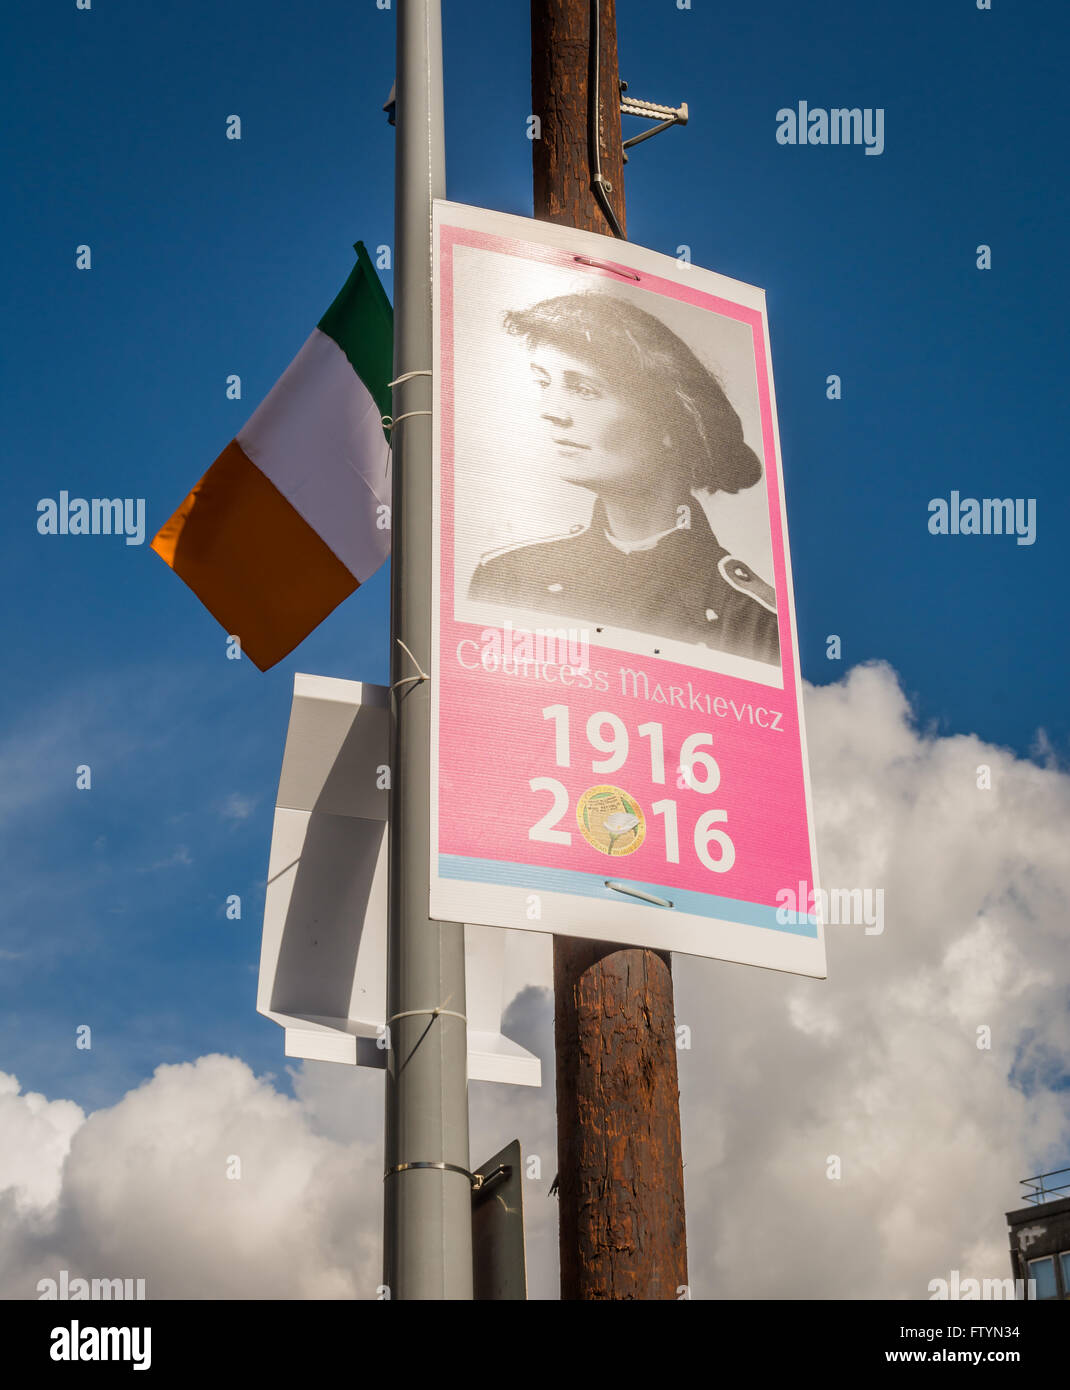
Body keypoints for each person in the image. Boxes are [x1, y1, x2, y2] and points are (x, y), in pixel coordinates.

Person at [467, 290, 779, 666]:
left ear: (670, 423)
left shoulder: (750, 618)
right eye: (544, 383)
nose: (550, 412)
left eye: (584, 390)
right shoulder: (509, 576)